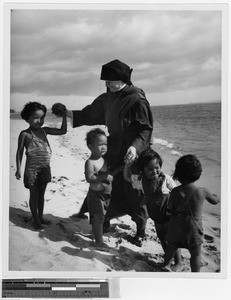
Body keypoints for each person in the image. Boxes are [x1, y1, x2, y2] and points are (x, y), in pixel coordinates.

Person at [52, 59, 153, 240]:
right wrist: (66, 113)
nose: (107, 85)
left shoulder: (137, 99)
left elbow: (145, 129)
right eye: (105, 81)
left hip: (134, 153)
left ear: (122, 79)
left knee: (135, 193)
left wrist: (135, 147)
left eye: (110, 81)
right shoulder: (108, 98)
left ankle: (140, 231)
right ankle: (103, 221)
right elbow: (90, 113)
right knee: (105, 187)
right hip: (113, 151)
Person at [124, 148, 183, 271]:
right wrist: (127, 165)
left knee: (172, 239)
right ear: (143, 170)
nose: (154, 171)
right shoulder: (141, 181)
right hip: (156, 216)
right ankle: (168, 260)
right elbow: (127, 177)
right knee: (162, 237)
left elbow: (178, 193)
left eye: (157, 167)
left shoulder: (166, 178)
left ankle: (178, 262)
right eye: (150, 169)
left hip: (169, 214)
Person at [162, 154, 220, 272]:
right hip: (193, 231)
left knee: (171, 247)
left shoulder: (175, 191)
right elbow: (215, 201)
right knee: (196, 255)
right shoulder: (202, 191)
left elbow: (170, 209)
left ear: (178, 173)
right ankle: (195, 274)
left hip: (177, 229)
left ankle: (165, 264)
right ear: (198, 173)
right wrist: (217, 196)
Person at [15, 101, 67, 230]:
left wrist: (65, 115)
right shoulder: (25, 134)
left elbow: (63, 131)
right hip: (31, 170)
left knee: (41, 196)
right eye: (36, 117)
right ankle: (36, 221)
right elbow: (19, 152)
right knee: (34, 196)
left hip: (45, 168)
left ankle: (41, 217)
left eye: (42, 117)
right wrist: (18, 169)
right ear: (28, 119)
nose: (40, 120)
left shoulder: (45, 131)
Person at [84, 128, 123, 249]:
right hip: (96, 195)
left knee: (99, 217)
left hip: (105, 195)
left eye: (105, 144)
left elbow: (109, 174)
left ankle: (95, 233)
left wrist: (118, 170)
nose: (104, 147)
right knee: (99, 218)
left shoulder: (103, 159)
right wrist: (104, 176)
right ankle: (99, 242)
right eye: (100, 144)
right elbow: (89, 178)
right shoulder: (90, 162)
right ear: (90, 146)